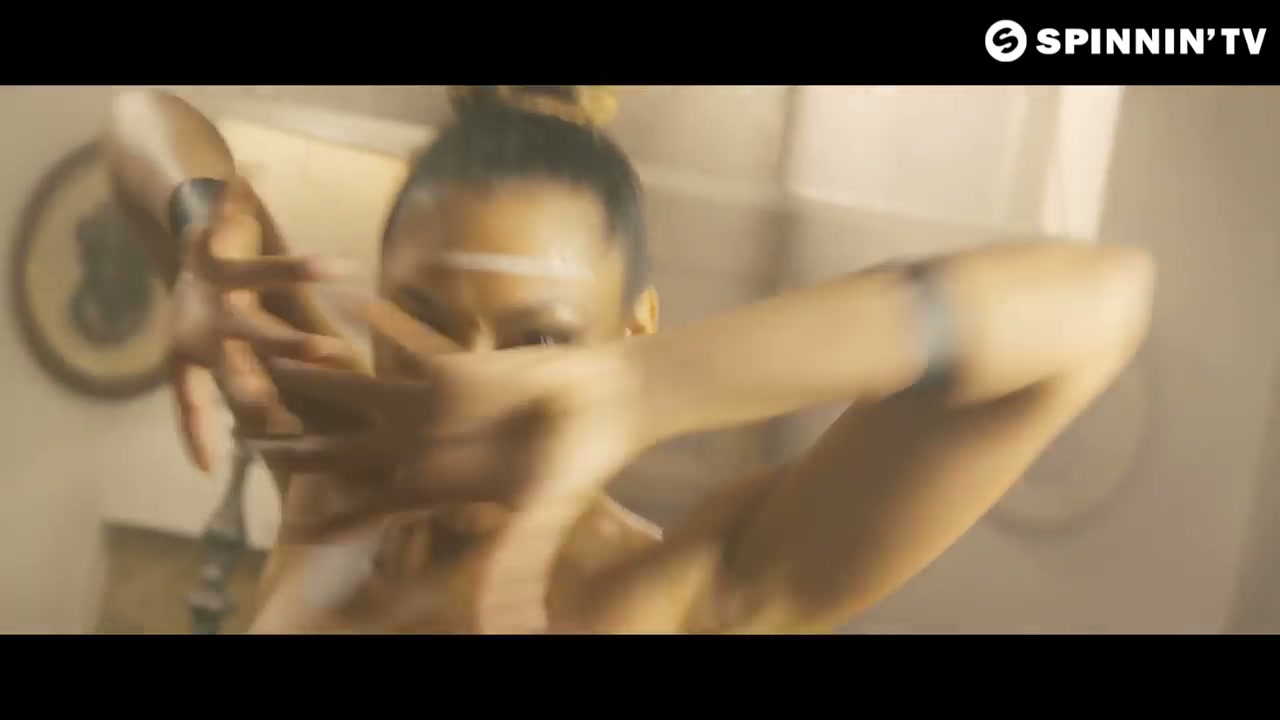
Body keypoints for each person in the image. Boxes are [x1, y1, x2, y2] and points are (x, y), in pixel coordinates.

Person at [102, 86, 1156, 634]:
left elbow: (1100, 302)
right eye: (421, 321)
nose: (469, 383)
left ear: (632, 331)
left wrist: (650, 394)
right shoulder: (326, 465)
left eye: (541, 341)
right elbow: (139, 118)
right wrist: (203, 232)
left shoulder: (691, 590)